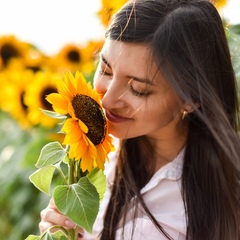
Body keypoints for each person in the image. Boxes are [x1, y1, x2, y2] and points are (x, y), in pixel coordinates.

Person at [39, 0, 240, 239]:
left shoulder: (204, 205)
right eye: (105, 70)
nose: (108, 100)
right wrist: (60, 231)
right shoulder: (104, 154)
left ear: (191, 97)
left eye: (138, 89)